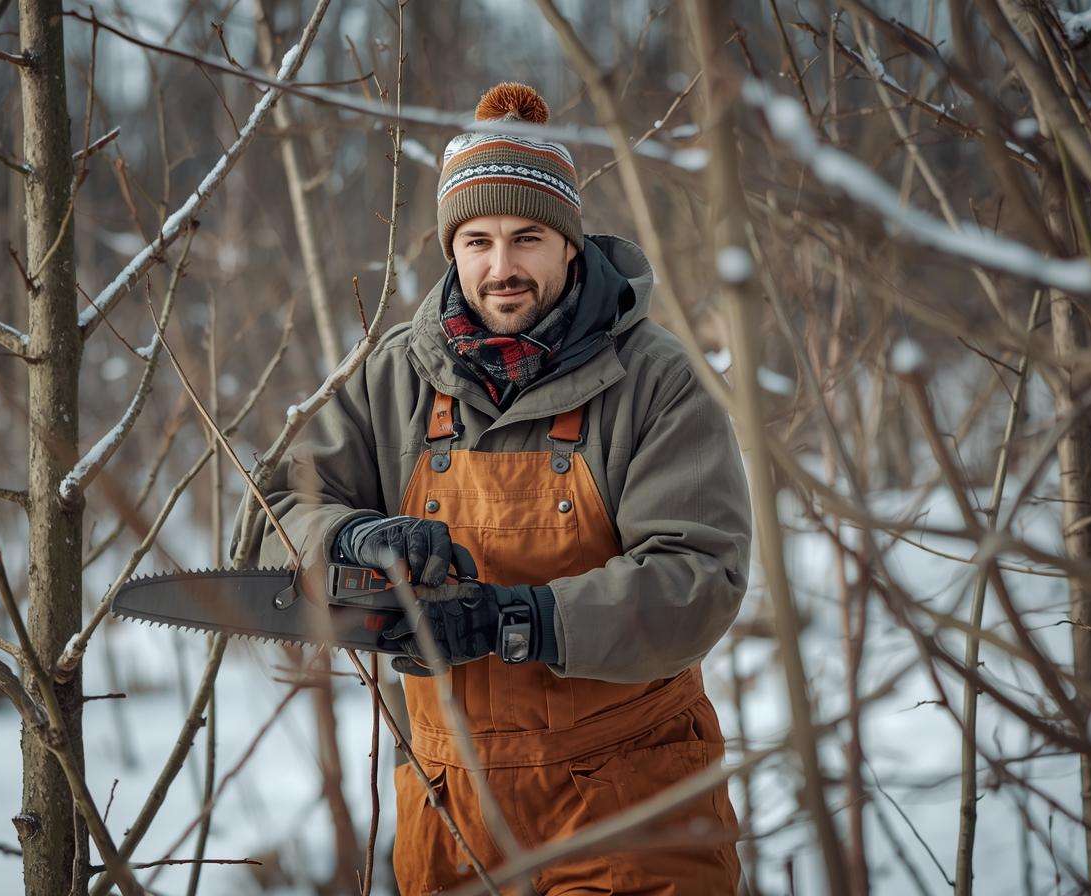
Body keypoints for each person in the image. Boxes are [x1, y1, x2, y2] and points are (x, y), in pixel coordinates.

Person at [260, 81, 750, 895]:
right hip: (449, 816)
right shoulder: (395, 379)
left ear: (569, 244)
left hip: (630, 802)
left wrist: (519, 620)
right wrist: (357, 537)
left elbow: (699, 579)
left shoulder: (655, 381)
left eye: (527, 238)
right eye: (477, 240)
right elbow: (270, 514)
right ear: (450, 248)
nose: (501, 268)